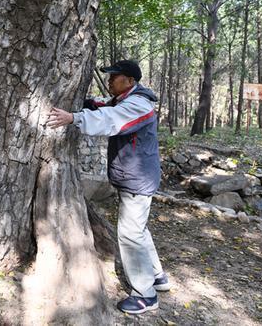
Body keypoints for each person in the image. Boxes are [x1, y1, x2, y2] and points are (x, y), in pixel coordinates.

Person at [46, 59, 170, 315]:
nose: (110, 80)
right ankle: (158, 276)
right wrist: (85, 104)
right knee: (139, 230)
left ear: (130, 81)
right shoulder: (125, 99)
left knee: (130, 234)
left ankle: (146, 295)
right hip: (135, 177)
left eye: (115, 76)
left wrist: (73, 118)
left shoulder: (138, 105)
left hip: (138, 179)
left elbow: (110, 118)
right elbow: (103, 106)